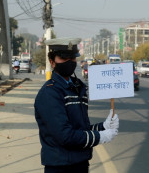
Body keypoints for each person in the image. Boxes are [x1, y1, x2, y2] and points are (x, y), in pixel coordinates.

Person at [34, 38, 119, 173]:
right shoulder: (50, 93)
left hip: (81, 163)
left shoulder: (78, 87)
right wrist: (100, 137)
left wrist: (103, 127)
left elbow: (80, 128)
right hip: (60, 166)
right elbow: (65, 136)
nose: (69, 61)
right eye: (64, 58)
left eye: (72, 57)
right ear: (52, 62)